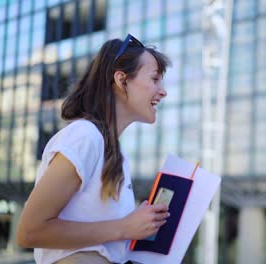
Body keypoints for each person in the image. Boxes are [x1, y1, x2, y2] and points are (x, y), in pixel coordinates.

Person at [16, 34, 171, 264]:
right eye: (155, 79)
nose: (163, 91)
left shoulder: (116, 154)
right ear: (122, 80)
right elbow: (29, 232)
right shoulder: (85, 136)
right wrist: (124, 227)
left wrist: (140, 225)